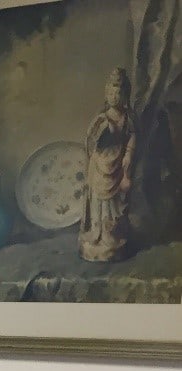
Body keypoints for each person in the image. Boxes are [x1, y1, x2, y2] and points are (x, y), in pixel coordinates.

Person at [79, 66, 136, 262]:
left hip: (118, 166)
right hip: (99, 166)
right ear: (106, 93)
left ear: (125, 95)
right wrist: (102, 132)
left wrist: (128, 154)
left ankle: (112, 235)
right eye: (111, 92)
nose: (114, 97)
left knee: (114, 204)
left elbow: (132, 137)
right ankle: (97, 233)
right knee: (98, 202)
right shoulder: (101, 118)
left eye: (119, 93)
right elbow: (90, 140)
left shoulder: (128, 118)